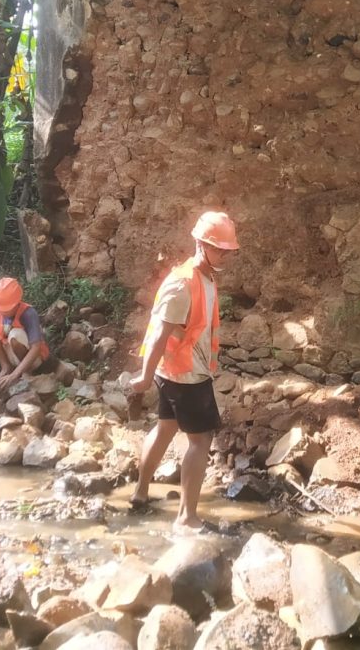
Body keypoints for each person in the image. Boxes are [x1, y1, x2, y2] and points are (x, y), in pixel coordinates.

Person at [130, 210, 239, 533]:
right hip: (185, 373)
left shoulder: (203, 277)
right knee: (201, 439)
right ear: (201, 244)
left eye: (227, 250)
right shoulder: (183, 283)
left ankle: (140, 493)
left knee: (165, 427)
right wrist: (145, 376)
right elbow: (162, 334)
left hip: (179, 369)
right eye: (219, 249)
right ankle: (186, 517)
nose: (224, 255)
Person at [0, 276, 51, 391]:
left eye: (5, 309)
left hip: (32, 360)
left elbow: (35, 348)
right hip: (10, 355)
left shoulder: (28, 313)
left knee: (15, 335)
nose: (1, 311)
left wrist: (15, 375)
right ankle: (5, 367)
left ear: (16, 303)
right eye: (0, 308)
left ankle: (26, 373)